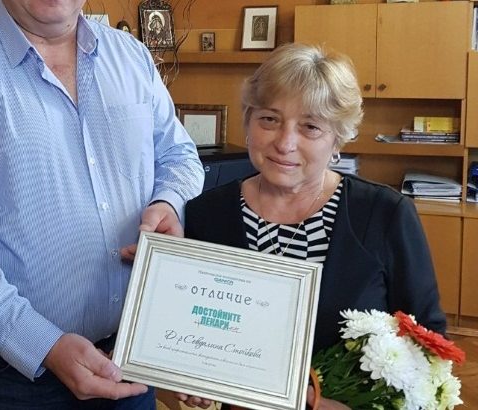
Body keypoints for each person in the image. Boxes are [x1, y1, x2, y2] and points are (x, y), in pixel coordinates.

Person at [0, 0, 204, 408]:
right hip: (8, 376)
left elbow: (178, 156)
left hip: (127, 355)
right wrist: (41, 342)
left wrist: (168, 202)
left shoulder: (131, 55)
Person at [183, 43, 446, 409]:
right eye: (269, 119)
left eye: (310, 127)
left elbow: (429, 344)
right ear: (248, 121)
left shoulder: (385, 214)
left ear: (338, 138)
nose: (285, 143)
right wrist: (189, 376)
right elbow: (191, 328)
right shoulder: (205, 214)